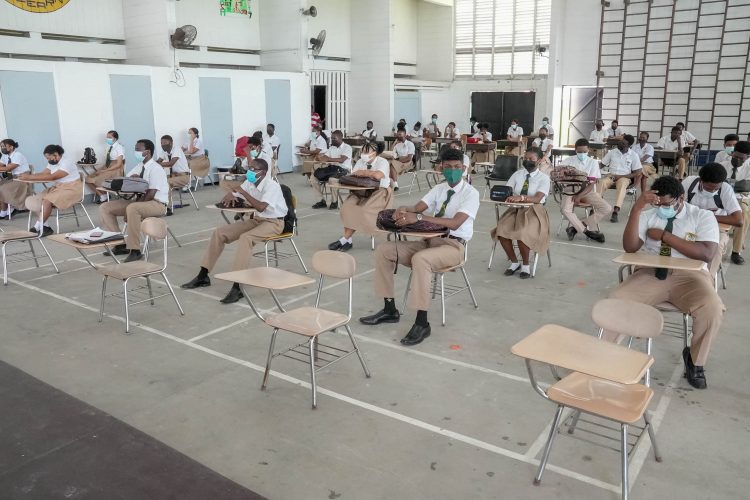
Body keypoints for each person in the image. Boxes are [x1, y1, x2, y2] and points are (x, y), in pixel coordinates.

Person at [609, 176, 722, 389]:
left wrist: (664, 236)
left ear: (680, 198)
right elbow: (630, 247)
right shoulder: (649, 215)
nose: (661, 208)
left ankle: (696, 362)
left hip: (690, 276)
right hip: (651, 273)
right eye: (656, 203)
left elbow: (706, 253)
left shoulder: (702, 216)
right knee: (616, 300)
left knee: (712, 309)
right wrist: (636, 210)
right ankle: (607, 353)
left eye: (667, 204)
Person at [360, 148, 479, 346]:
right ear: (441, 168)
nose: (452, 171)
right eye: (448, 167)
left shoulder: (470, 193)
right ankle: (389, 309)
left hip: (453, 246)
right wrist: (402, 209)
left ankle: (422, 323)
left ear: (464, 168)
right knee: (385, 250)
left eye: (457, 167)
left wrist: (420, 217)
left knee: (421, 259)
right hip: (428, 241)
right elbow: (416, 209)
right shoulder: (439, 189)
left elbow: (456, 223)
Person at [181, 159, 287, 304]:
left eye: (253, 169)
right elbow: (235, 194)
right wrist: (230, 196)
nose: (249, 171)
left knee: (246, 238)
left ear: (262, 172)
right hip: (257, 220)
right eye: (249, 168)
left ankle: (237, 286)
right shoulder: (250, 182)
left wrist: (243, 192)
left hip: (274, 222)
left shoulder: (271, 186)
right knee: (220, 232)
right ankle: (203, 275)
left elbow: (261, 207)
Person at [99, 139, 170, 262]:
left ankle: (135, 250)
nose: (135, 152)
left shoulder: (155, 168)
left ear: (147, 152)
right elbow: (126, 181)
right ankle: (120, 243)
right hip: (142, 201)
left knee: (132, 208)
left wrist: (129, 209)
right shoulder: (140, 166)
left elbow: (151, 194)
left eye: (138, 149)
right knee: (105, 208)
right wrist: (133, 179)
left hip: (157, 203)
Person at [491, 148, 551, 279]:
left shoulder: (544, 178)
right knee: (501, 231)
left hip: (534, 210)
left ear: (539, 161)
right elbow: (508, 191)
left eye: (531, 159)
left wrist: (522, 197)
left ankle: (525, 265)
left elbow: (537, 198)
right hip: (515, 208)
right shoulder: (517, 174)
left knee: (522, 233)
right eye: (525, 159)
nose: (527, 161)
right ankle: (514, 262)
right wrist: (504, 196)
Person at [328, 142, 392, 252]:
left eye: (366, 152)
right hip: (360, 191)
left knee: (362, 210)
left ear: (375, 153)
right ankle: (348, 240)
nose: (363, 154)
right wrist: (369, 173)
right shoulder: (360, 161)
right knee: (346, 208)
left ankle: (345, 240)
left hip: (379, 192)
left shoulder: (383, 162)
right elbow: (354, 174)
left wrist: (363, 172)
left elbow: (378, 176)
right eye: (362, 151)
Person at [682, 163, 743, 274]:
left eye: (715, 188)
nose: (711, 191)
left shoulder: (725, 189)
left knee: (717, 246)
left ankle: (707, 278)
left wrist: (708, 217)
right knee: (678, 239)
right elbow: (677, 204)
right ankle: (681, 273)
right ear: (701, 180)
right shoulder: (689, 183)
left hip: (716, 228)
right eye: (708, 188)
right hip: (691, 227)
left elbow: (738, 220)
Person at [20, 145, 82, 237]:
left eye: (49, 158)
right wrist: (27, 176)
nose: (48, 160)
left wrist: (29, 177)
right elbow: (44, 173)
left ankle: (37, 226)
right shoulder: (52, 162)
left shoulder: (66, 162)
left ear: (56, 155)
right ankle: (45, 226)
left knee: (47, 201)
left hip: (72, 188)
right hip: (59, 187)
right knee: (36, 200)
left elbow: (53, 177)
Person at [559, 138, 611, 243]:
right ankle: (587, 232)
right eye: (579, 152)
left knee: (607, 208)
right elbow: (558, 173)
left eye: (584, 152)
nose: (582, 154)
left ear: (588, 150)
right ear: (575, 150)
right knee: (565, 210)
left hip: (587, 190)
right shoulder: (568, 160)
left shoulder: (593, 163)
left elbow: (591, 184)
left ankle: (575, 228)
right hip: (570, 189)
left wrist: (579, 196)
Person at [718, 141, 750, 264]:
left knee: (743, 213)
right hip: (721, 196)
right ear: (732, 153)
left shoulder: (748, 168)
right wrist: (740, 185)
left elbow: (746, 187)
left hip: (741, 198)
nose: (737, 160)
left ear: (747, 157)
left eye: (741, 158)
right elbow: (743, 185)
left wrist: (725, 183)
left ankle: (736, 252)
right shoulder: (722, 165)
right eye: (735, 156)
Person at [599, 134, 642, 222]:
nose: (620, 144)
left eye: (623, 143)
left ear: (629, 145)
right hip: (611, 175)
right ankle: (595, 207)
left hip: (625, 177)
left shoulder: (633, 155)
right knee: (602, 182)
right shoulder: (612, 152)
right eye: (620, 142)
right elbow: (601, 164)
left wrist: (622, 177)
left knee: (622, 184)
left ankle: (616, 211)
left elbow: (638, 172)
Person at [311, 130, 352, 210]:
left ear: (341, 138)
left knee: (332, 179)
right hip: (332, 169)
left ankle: (334, 202)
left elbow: (341, 160)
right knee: (313, 178)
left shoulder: (347, 147)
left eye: (334, 138)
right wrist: (320, 158)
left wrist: (328, 159)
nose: (332, 140)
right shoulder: (331, 148)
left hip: (343, 170)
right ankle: (321, 201)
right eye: (332, 138)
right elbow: (325, 157)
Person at [84, 130, 125, 204]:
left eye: (109, 137)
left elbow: (119, 164)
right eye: (107, 137)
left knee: (97, 179)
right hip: (107, 166)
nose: (107, 139)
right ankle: (103, 195)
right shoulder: (109, 147)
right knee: (87, 179)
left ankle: (104, 196)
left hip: (115, 169)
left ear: (115, 138)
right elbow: (107, 160)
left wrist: (104, 171)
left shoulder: (119, 148)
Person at [0, 139, 31, 218]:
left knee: (3, 188)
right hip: (12, 177)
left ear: (11, 147)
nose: (2, 148)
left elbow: (8, 168)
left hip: (22, 177)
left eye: (4, 146)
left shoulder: (18, 155)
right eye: (1, 146)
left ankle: (12, 208)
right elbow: (1, 165)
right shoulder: (5, 156)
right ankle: (4, 210)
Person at [156, 134, 190, 200]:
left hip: (183, 176)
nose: (162, 145)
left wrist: (158, 164)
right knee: (159, 181)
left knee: (166, 183)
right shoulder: (164, 152)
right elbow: (158, 161)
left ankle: (165, 205)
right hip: (174, 176)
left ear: (171, 143)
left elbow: (171, 164)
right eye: (161, 143)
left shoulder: (177, 149)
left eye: (165, 143)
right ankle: (159, 201)